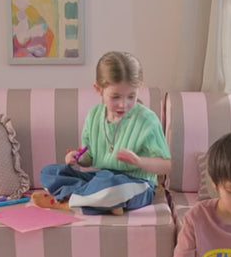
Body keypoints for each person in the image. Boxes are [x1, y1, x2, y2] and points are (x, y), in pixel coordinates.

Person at [33, 51, 171, 215]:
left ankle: (69, 201)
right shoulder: (94, 116)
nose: (123, 104)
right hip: (102, 179)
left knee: (113, 187)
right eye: (115, 97)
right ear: (99, 89)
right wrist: (78, 158)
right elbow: (89, 156)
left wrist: (139, 161)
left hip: (137, 184)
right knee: (49, 173)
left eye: (131, 96)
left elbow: (166, 166)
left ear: (139, 88)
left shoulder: (147, 120)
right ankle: (103, 201)